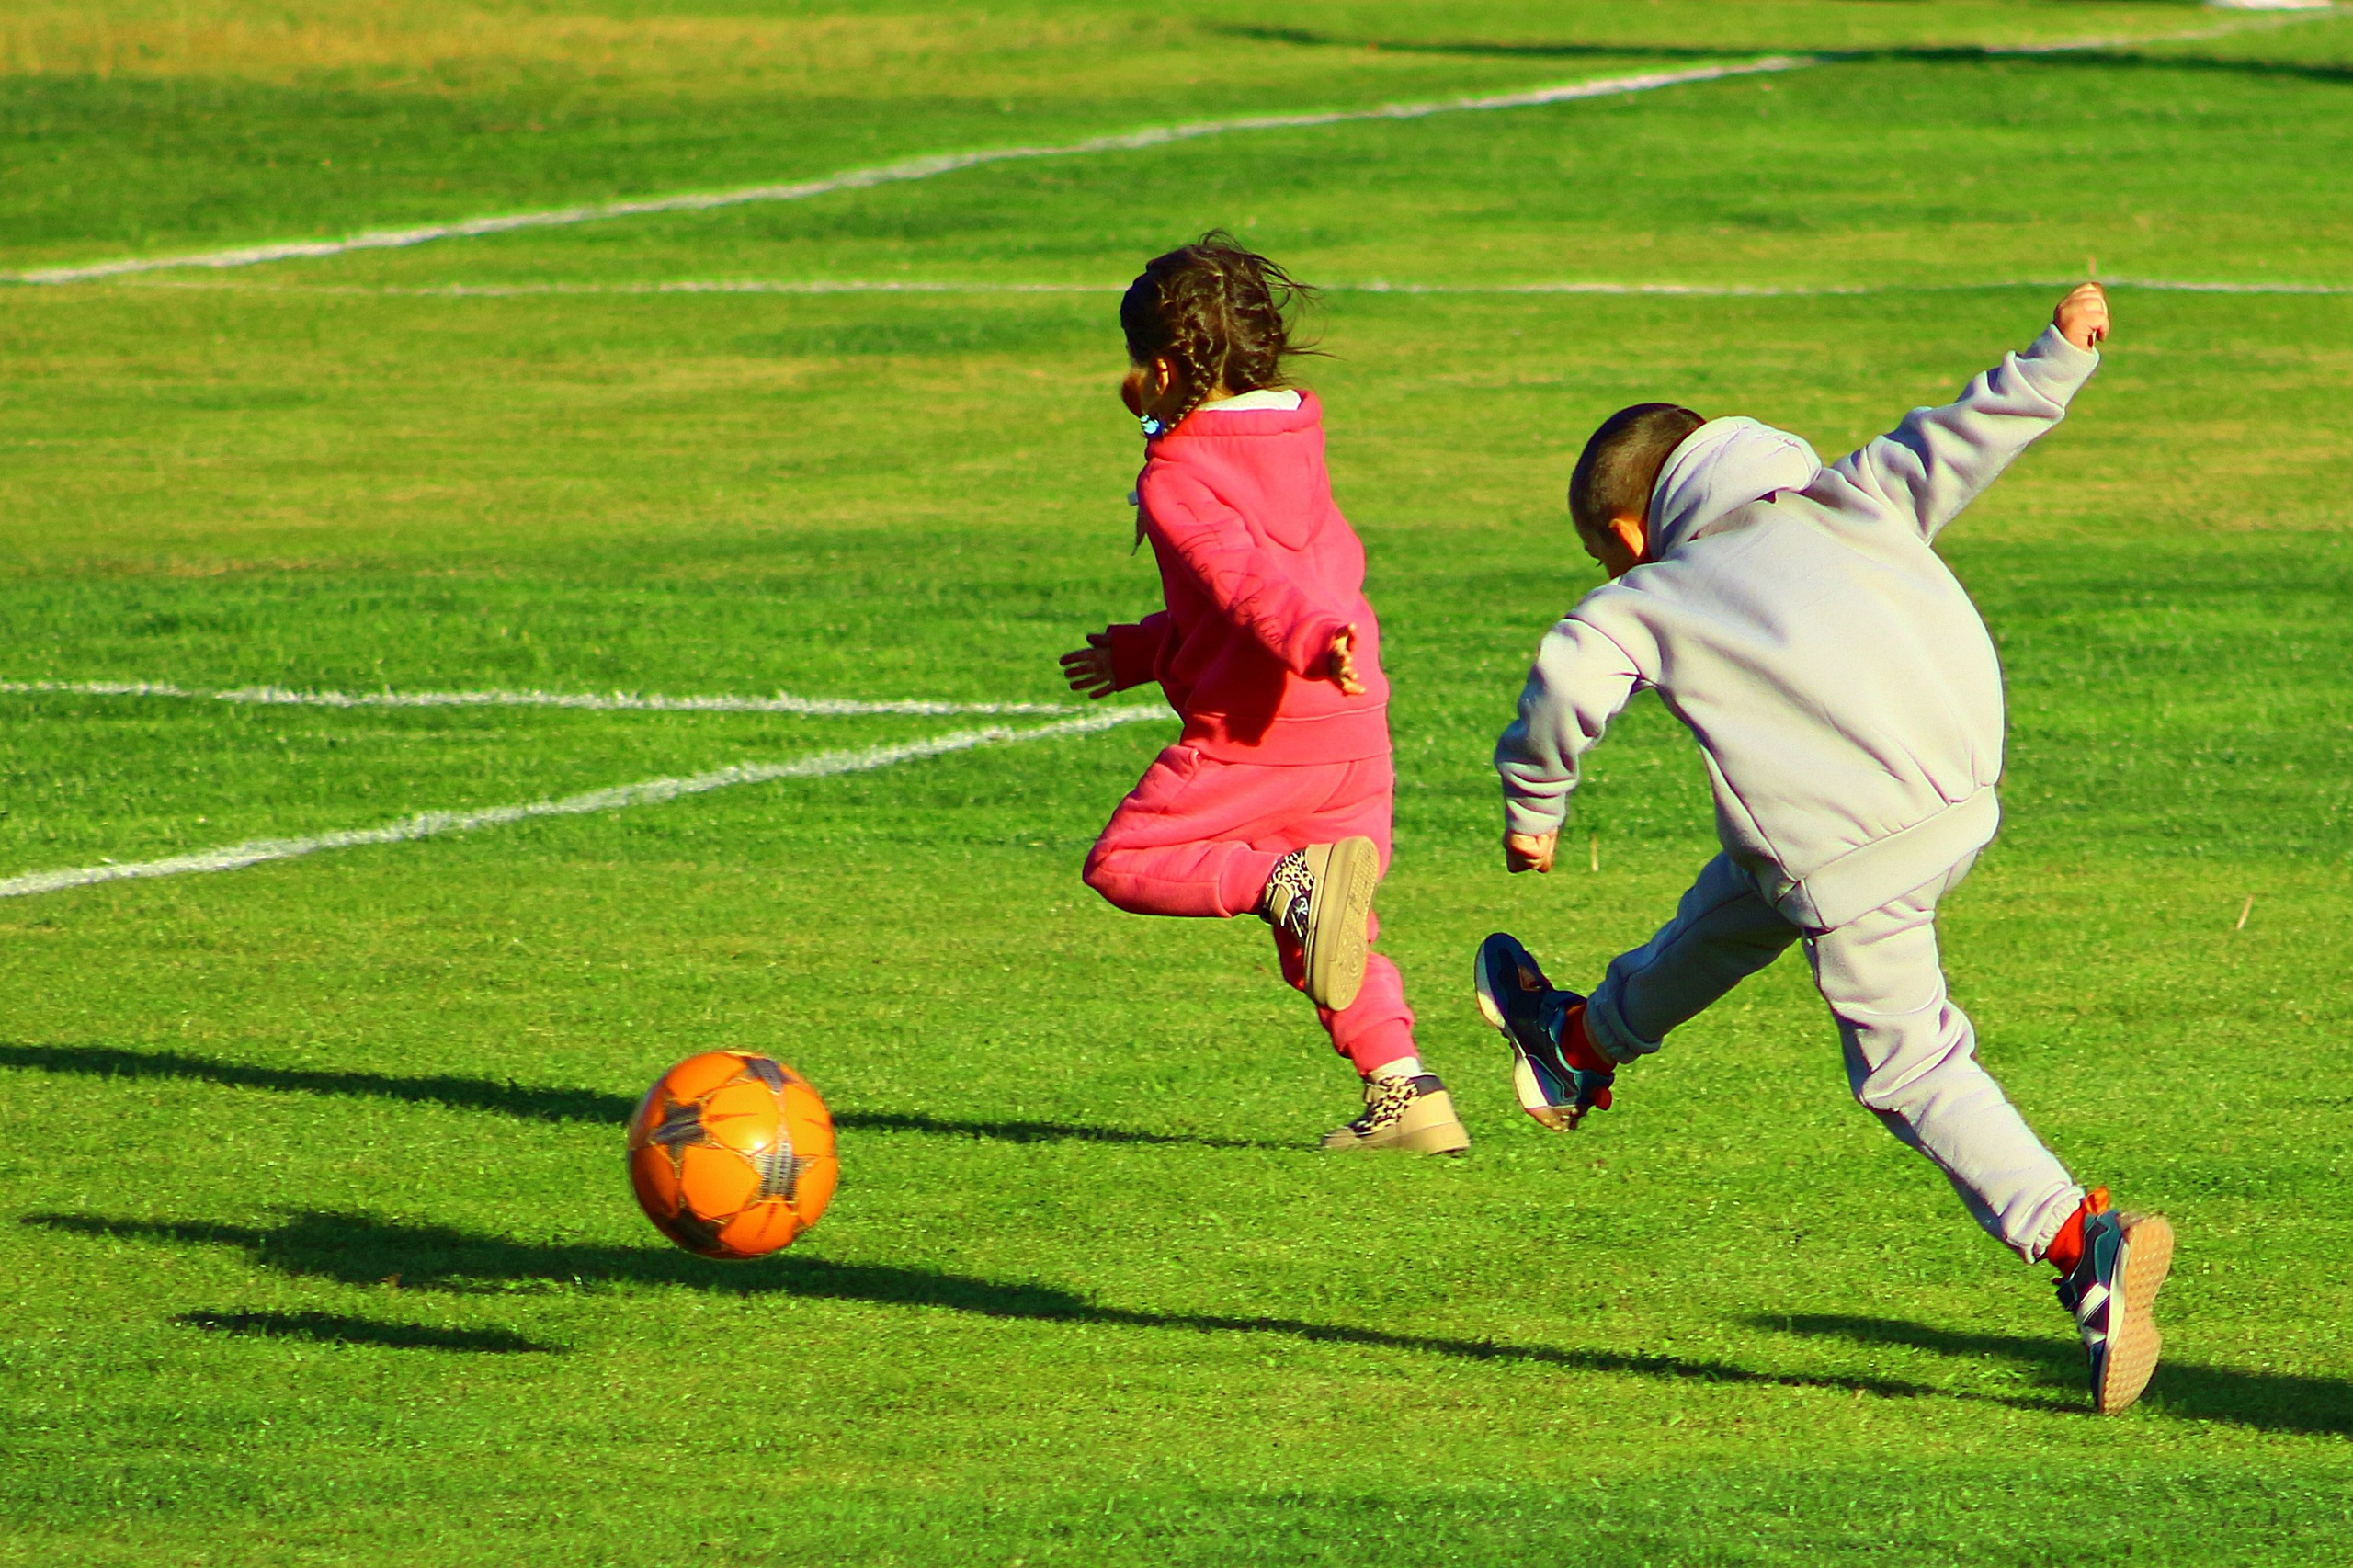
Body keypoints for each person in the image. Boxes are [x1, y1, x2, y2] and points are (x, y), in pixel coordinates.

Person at [1474, 283, 2173, 1413]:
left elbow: (1567, 672)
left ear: (1625, 534)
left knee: (1906, 1066)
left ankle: (2080, 1241)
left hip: (1860, 855)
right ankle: (1580, 1042)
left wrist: (1533, 805)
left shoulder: (1652, 590)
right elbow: (1966, 430)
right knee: (1748, 890)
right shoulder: (1855, 493)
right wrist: (2057, 356)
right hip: (1956, 799)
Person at [1061, 232, 1465, 1154]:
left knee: (1123, 862)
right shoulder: (1291, 442)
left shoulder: (1178, 476)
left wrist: (1304, 637)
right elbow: (1236, 598)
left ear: (1163, 369)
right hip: (1352, 721)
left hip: (1266, 731)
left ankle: (1274, 880)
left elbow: (1244, 580)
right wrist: (1138, 650)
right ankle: (1408, 1093)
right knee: (1329, 927)